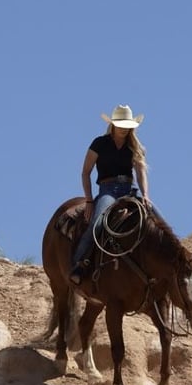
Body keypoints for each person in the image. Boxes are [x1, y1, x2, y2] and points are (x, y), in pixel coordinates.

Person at [69, 104, 162, 285]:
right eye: (121, 125)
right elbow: (85, 172)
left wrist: (146, 195)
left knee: (158, 219)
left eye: (127, 126)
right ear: (113, 124)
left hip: (129, 189)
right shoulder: (100, 143)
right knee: (97, 223)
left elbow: (141, 172)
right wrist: (88, 199)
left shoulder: (133, 146)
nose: (124, 129)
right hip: (108, 189)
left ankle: (176, 259)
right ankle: (79, 263)